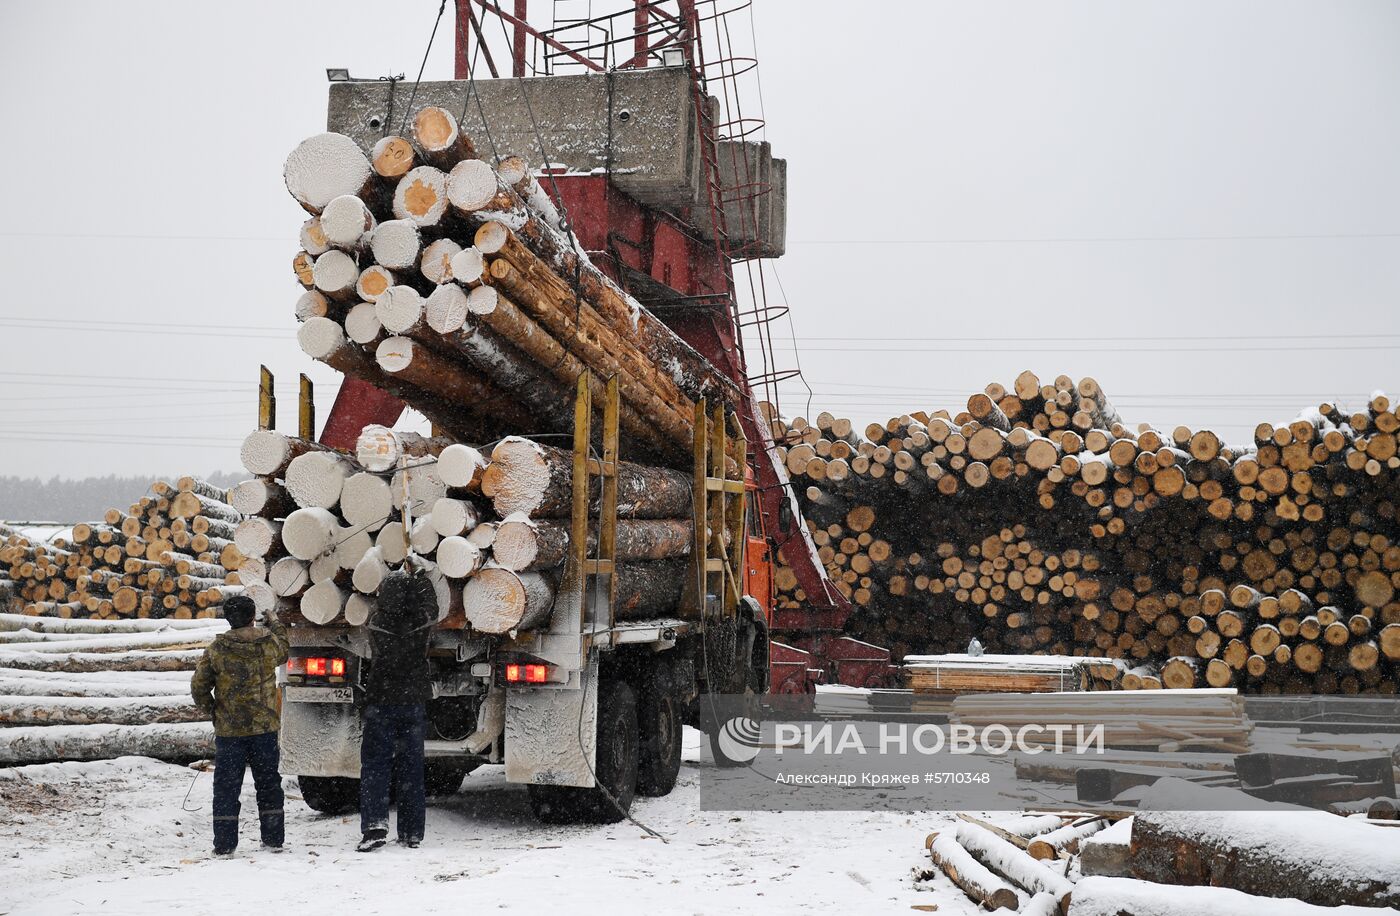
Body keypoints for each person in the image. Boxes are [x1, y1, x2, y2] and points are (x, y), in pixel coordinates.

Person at [191, 594, 290, 856]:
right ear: (251, 616)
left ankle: (224, 845)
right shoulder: (269, 644)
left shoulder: (217, 649)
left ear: (228, 619)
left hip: (230, 731)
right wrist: (275, 621)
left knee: (227, 787)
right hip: (265, 729)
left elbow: (199, 687)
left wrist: (214, 711)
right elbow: (284, 649)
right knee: (268, 783)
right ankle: (273, 840)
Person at [358, 565, 436, 852]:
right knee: (411, 768)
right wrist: (422, 580)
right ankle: (412, 832)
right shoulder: (421, 621)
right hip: (412, 701)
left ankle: (374, 827)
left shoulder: (376, 620)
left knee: (375, 766)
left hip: (381, 699)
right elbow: (431, 607)